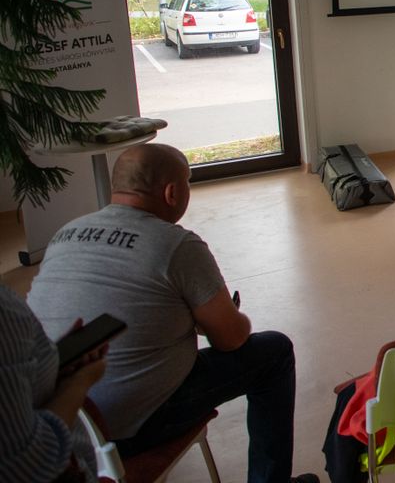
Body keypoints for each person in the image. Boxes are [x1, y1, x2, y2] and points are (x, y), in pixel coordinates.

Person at [26, 144, 315, 483]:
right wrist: (225, 318)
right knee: (274, 353)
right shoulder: (177, 246)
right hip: (128, 428)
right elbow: (232, 340)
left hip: (58, 421)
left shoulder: (65, 233)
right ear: (172, 192)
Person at [1, 284, 108, 483]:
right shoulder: (4, 312)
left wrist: (51, 369)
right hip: (67, 470)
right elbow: (28, 464)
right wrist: (79, 382)